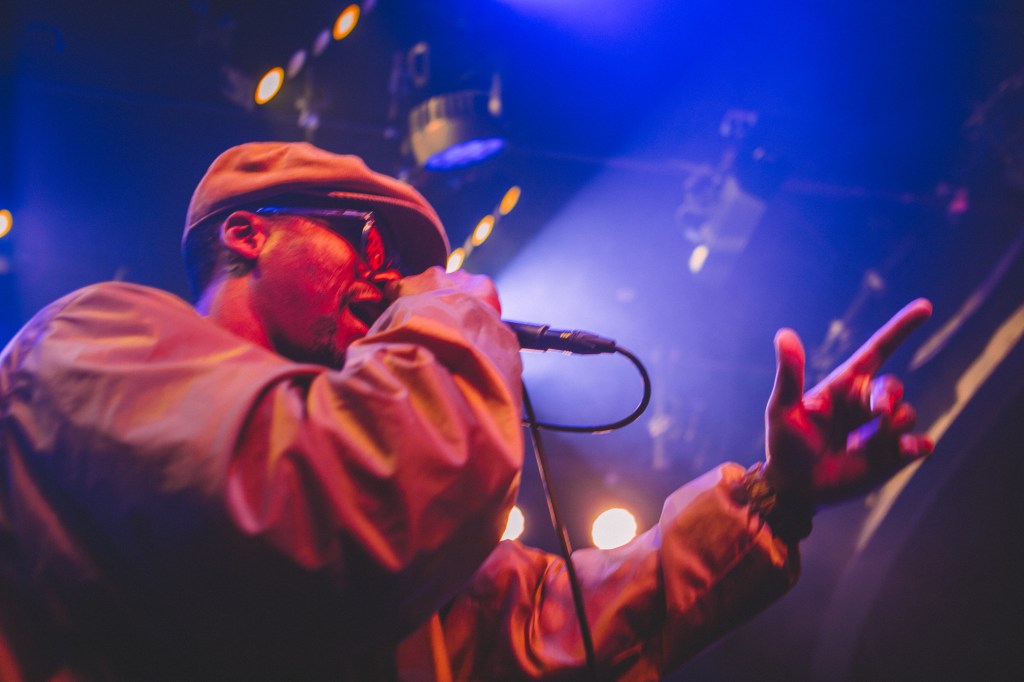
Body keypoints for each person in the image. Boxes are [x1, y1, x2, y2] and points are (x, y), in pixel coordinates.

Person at [0, 141, 933, 681]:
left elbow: (544, 627)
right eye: (368, 239)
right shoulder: (93, 338)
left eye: (412, 268)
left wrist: (777, 499)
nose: (390, 280)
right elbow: (349, 506)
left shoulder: (365, 456)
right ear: (248, 233)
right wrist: (450, 310)